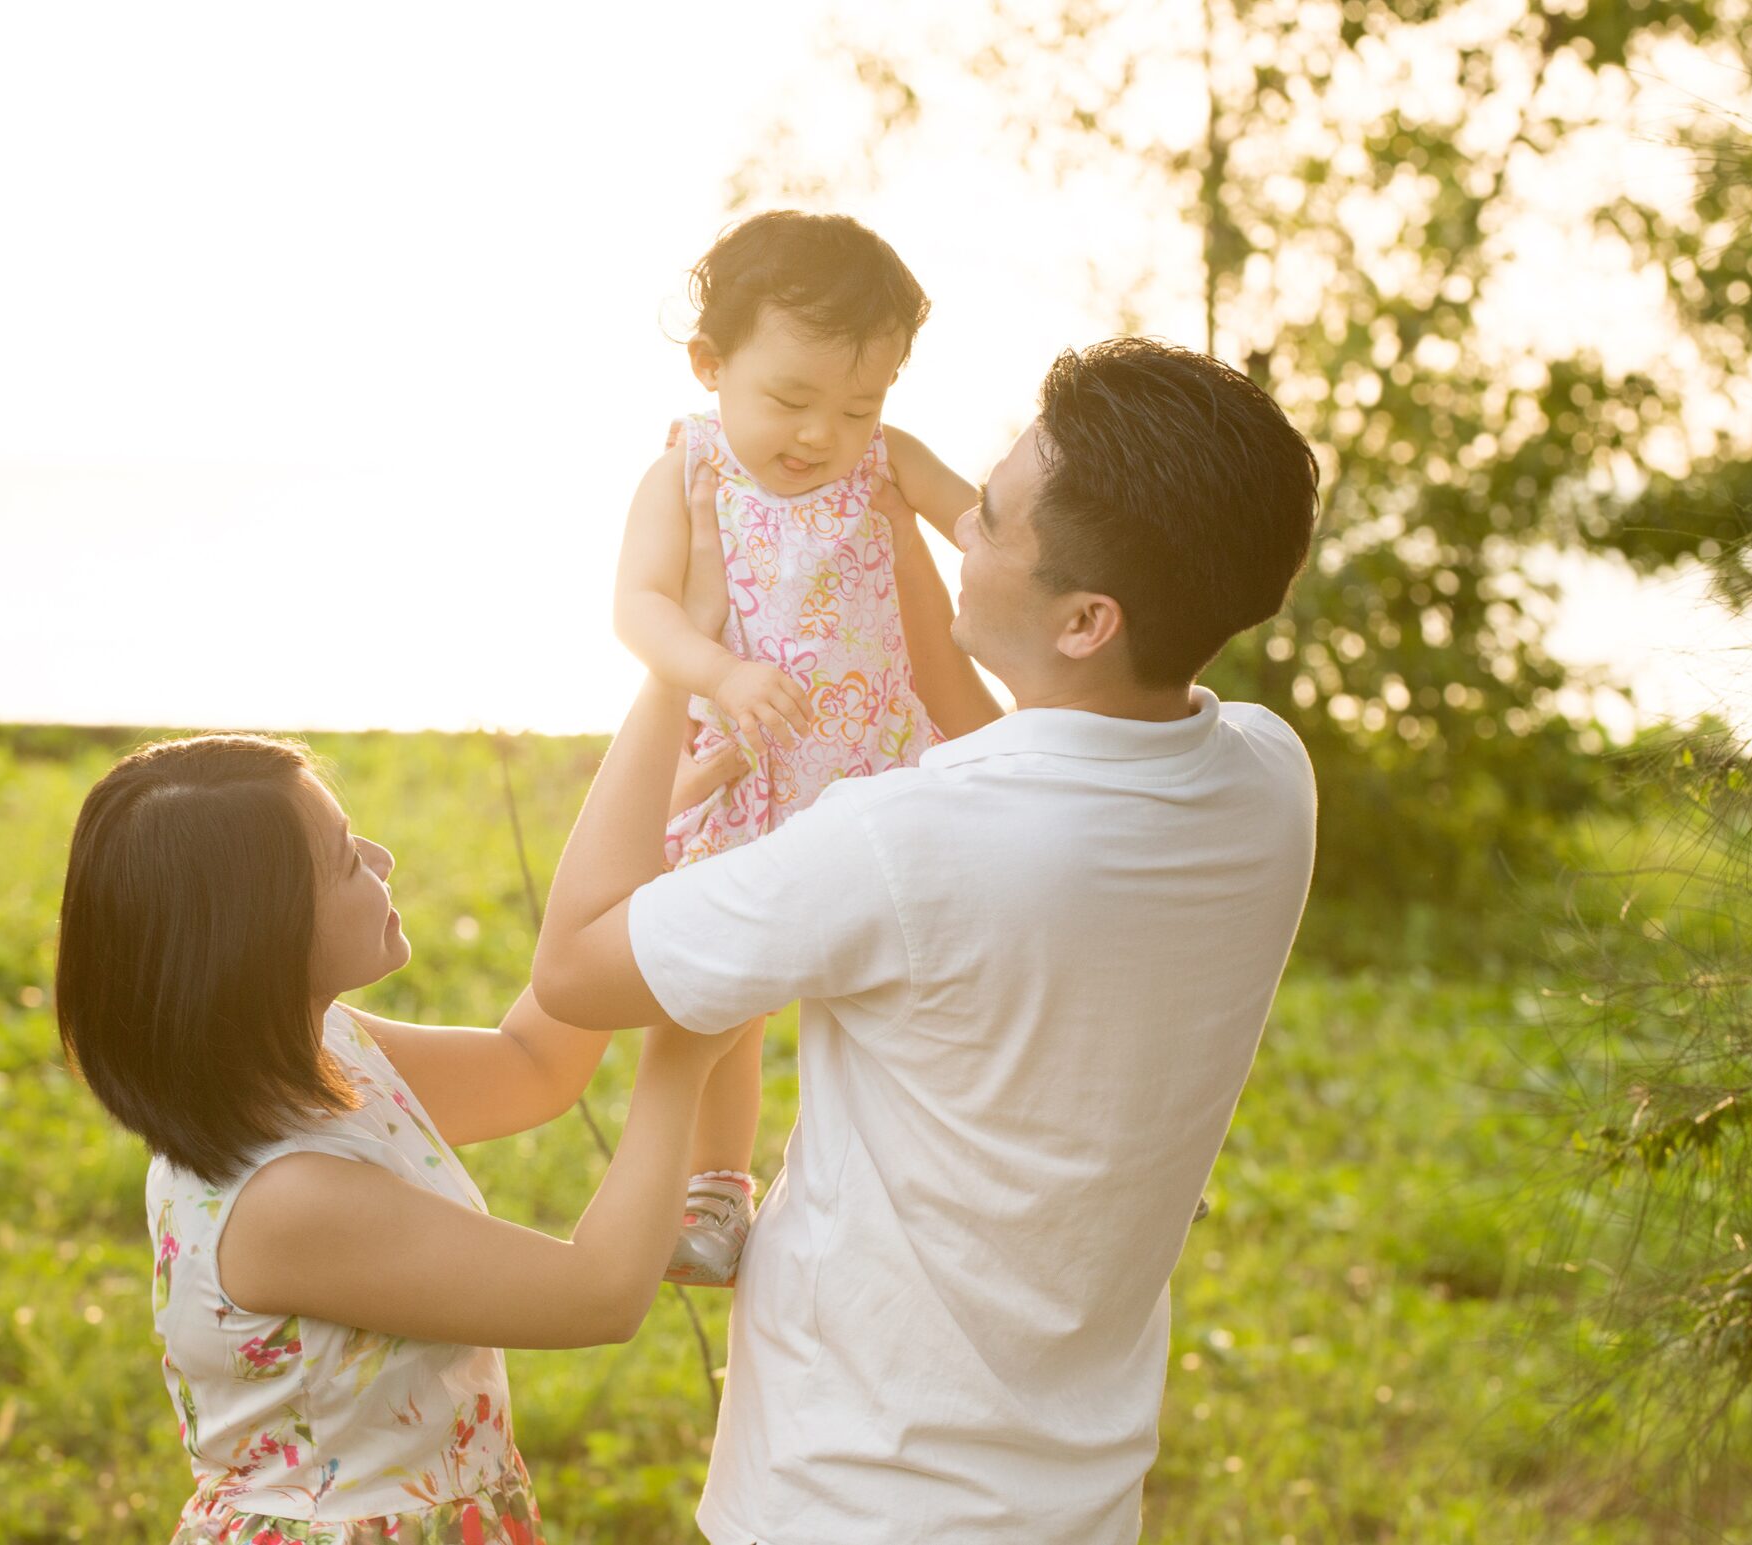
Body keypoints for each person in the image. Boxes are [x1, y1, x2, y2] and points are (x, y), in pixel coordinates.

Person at [535, 337, 1323, 1544]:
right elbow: (1022, 743)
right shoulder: (1267, 783)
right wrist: (891, 536)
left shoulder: (904, 844)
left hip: (850, 1497)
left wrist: (673, 659)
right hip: (1078, 1496)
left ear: (1086, 619)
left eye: (989, 520)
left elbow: (576, 968)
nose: (960, 529)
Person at [52, 722, 745, 1532]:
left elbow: (532, 1064)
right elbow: (598, 1294)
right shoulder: (288, 1200)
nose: (382, 859)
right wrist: (679, 1060)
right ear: (261, 938)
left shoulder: (315, 1052)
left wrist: (642, 853)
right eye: (346, 859)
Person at [613, 210, 985, 1285]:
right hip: (744, 778)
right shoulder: (689, 471)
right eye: (789, 399)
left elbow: (984, 530)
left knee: (942, 975)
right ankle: (715, 1191)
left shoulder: (882, 464)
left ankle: (1040, 1139)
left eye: (859, 404)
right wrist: (720, 672)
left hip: (879, 774)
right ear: (709, 363)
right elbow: (637, 607)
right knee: (717, 1010)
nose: (822, 433)